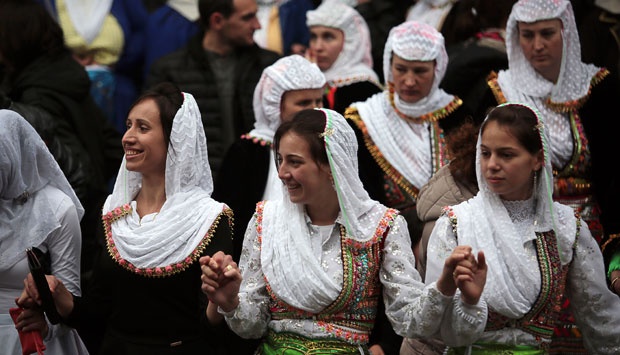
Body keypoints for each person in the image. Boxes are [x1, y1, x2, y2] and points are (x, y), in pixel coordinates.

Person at [200, 108, 488, 354]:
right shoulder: (266, 221)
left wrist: (444, 287)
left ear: (330, 164)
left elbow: (409, 321)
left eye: (295, 161)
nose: (282, 173)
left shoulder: (381, 226)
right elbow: (253, 326)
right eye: (281, 159)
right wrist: (232, 301)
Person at [18, 82, 238, 354]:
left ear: (175, 140)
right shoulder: (115, 211)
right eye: (128, 125)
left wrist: (221, 304)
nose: (128, 137)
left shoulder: (208, 219)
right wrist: (58, 295)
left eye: (143, 128)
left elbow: (212, 329)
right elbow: (99, 312)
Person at [425, 102, 620, 354]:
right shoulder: (456, 223)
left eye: (506, 154)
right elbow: (435, 321)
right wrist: (468, 301)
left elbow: (601, 319)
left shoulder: (565, 229)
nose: (492, 164)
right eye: (485, 153)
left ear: (538, 159)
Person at [474, 0, 620, 304]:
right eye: (527, 35)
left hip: (596, 230)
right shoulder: (497, 90)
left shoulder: (601, 90)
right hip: (519, 231)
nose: (537, 45)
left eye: (547, 33)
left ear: (567, 33)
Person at [0, 0, 124, 291]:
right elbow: (108, 147)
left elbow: (75, 175)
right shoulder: (65, 77)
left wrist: (37, 235)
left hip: (66, 245)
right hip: (91, 224)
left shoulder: (36, 98)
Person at [345, 20, 471, 260]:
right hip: (386, 243)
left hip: (456, 240)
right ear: (388, 65)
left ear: (437, 68)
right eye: (401, 69)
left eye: (420, 71)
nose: (409, 81)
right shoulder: (364, 119)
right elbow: (361, 194)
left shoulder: (458, 115)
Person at [146, 0, 280, 181]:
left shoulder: (270, 67)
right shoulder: (169, 71)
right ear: (217, 21)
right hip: (194, 187)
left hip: (257, 183)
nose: (258, 25)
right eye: (247, 17)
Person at [212, 54, 325, 262]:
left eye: (319, 100)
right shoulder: (248, 152)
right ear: (275, 105)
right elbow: (229, 224)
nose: (315, 109)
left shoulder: (330, 146)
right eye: (303, 103)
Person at [0, 110, 89, 355]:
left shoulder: (56, 208)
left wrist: (48, 326)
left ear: (12, 156)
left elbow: (69, 298)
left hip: (28, 339)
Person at [40, 0, 150, 134]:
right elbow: (37, 36)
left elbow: (142, 33)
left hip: (117, 82)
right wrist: (67, 61)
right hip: (64, 84)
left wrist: (116, 62)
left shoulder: (125, 3)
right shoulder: (46, 3)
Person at [305, 1, 383, 115]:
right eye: (313, 37)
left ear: (349, 42)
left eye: (328, 37)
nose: (317, 47)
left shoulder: (363, 87)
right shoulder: (311, 75)